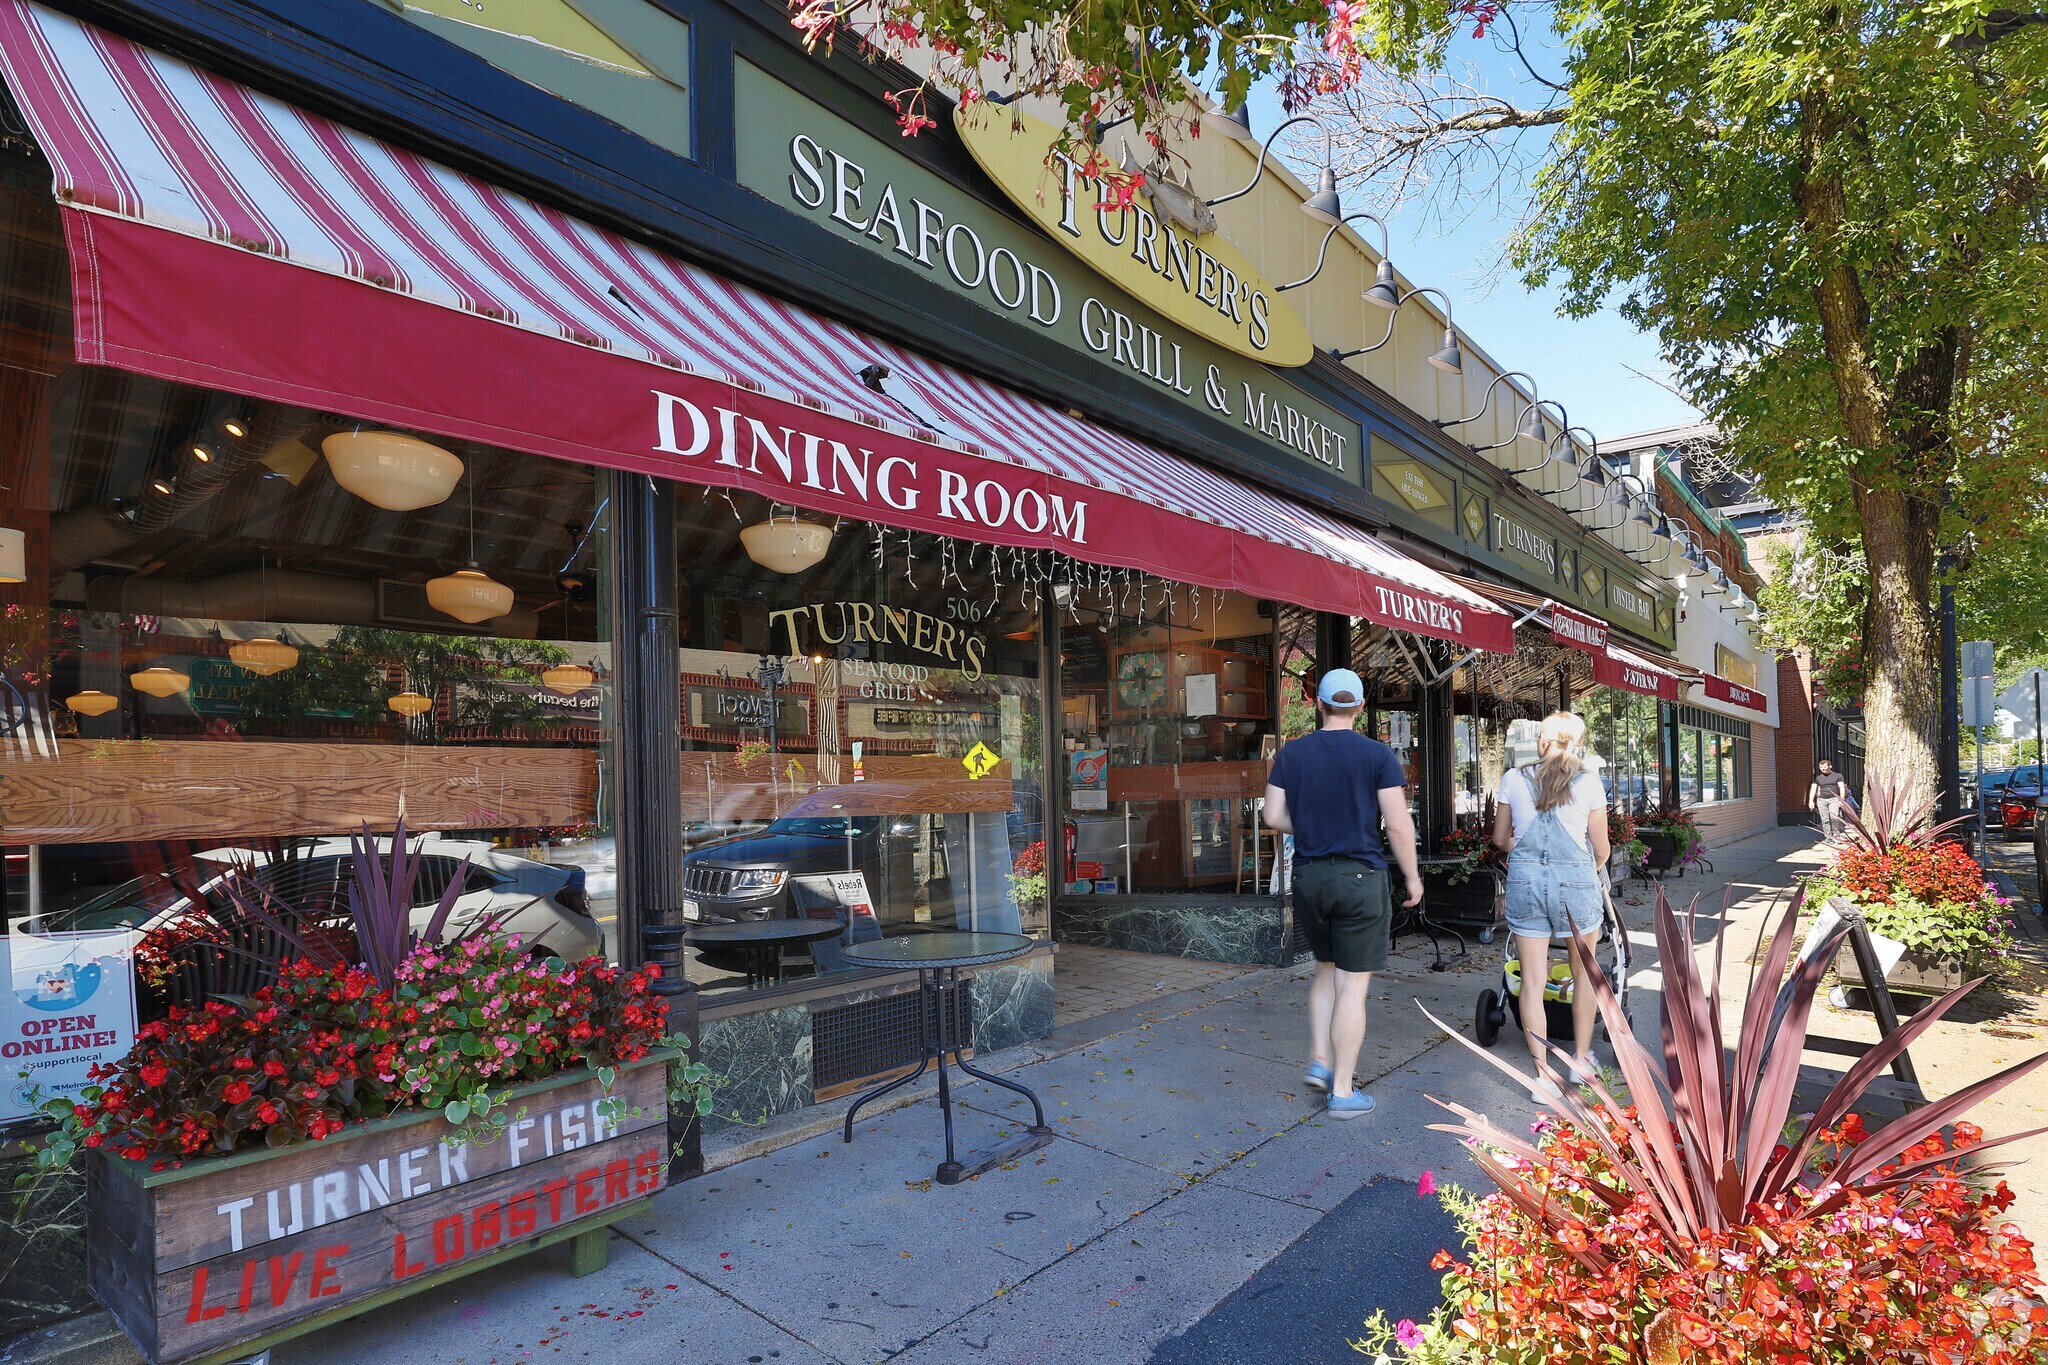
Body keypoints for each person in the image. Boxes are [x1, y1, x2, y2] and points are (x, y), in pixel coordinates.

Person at [1263, 668, 1423, 1120]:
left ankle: (1320, 1058)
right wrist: (1412, 878)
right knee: (1352, 986)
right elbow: (1396, 823)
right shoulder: (1377, 755)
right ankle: (1344, 1092)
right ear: (1360, 708)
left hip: (1310, 877)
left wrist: (1314, 827)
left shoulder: (1292, 754)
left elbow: (1273, 816)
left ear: (1318, 704)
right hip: (1360, 878)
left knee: (1324, 970)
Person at [1491, 711, 1610, 1097]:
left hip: (1527, 886)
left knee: (1532, 981)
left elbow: (1499, 839)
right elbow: (1602, 849)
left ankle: (1542, 1076)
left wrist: (1524, 852)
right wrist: (1581, 867)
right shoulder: (1590, 784)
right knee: (1584, 976)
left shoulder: (1513, 778)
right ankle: (1580, 1060)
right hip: (1576, 887)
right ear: (1577, 742)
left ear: (1541, 742)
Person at [1809, 759, 1851, 839]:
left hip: (1834, 799)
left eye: (1824, 766)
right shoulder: (1818, 778)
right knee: (1825, 819)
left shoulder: (1838, 776)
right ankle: (1828, 837)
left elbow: (1842, 787)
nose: (1822, 768)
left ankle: (1836, 836)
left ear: (1830, 766)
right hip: (1821, 800)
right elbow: (1813, 789)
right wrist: (1811, 801)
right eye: (1821, 767)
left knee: (1834, 818)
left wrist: (1842, 800)